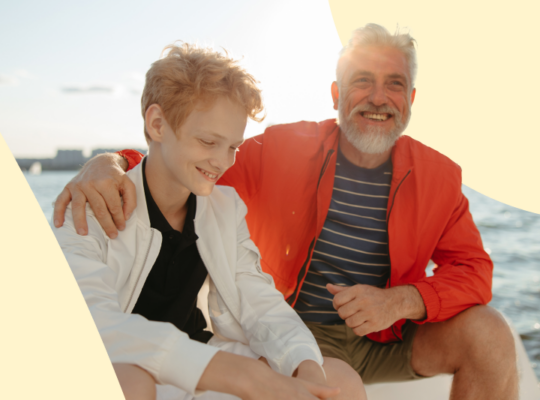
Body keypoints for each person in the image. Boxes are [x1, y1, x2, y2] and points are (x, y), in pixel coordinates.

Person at [54, 24, 518, 399]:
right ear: (336, 94)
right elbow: (176, 167)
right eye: (363, 82)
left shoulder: (439, 176)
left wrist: (401, 301)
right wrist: (109, 164)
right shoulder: (278, 150)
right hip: (302, 326)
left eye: (394, 84)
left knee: (490, 332)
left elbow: (475, 272)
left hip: (387, 337)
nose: (378, 98)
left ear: (411, 99)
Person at [53, 42, 365, 400]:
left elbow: (258, 297)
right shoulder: (89, 203)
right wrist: (237, 376)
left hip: (201, 358)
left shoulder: (225, 208)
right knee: (132, 386)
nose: (222, 161)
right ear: (157, 124)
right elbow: (88, 320)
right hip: (129, 366)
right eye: (208, 141)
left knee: (338, 378)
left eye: (233, 146)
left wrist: (303, 364)